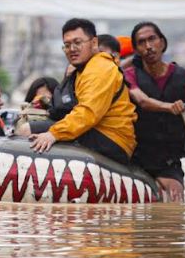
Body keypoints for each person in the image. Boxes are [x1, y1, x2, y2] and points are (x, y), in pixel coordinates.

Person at [124, 21, 185, 202]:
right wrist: (169, 107)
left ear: (162, 43)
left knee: (175, 202)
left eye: (152, 39)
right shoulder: (129, 75)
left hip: (168, 161)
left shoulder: (183, 77)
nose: (148, 47)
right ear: (137, 50)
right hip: (135, 158)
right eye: (142, 43)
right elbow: (142, 101)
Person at [28, 18, 137, 166]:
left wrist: (53, 134)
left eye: (78, 43)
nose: (72, 49)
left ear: (93, 43)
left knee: (26, 130)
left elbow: (88, 112)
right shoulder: (83, 69)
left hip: (112, 139)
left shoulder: (100, 68)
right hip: (96, 132)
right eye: (67, 45)